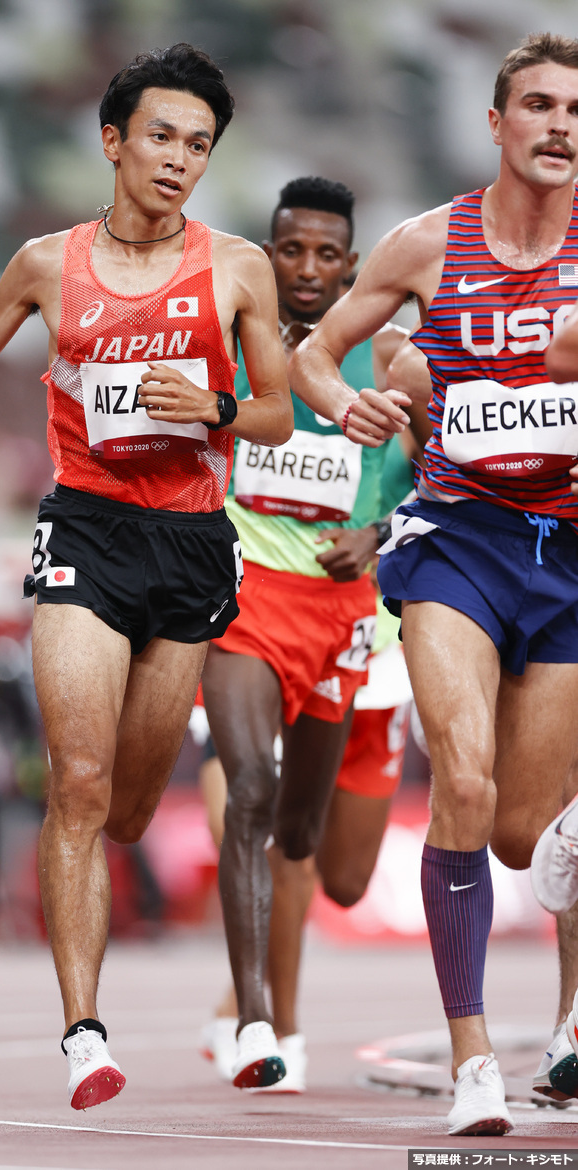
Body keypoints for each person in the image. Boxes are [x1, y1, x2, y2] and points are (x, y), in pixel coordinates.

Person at [0, 42, 292, 1110]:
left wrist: (219, 411)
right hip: (84, 528)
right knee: (79, 783)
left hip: (189, 545)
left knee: (132, 805)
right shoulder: (49, 263)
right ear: (113, 142)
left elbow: (277, 411)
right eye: (161, 137)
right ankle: (84, 1032)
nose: (180, 159)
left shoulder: (237, 267)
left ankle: (111, 855)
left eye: (199, 143)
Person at [289, 32, 578, 1137]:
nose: (559, 126)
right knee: (458, 782)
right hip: (457, 539)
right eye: (539, 106)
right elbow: (321, 351)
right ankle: (471, 1062)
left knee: (518, 835)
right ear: (497, 123)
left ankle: (563, 1026)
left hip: (569, 554)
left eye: (576, 110)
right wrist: (342, 397)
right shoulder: (425, 244)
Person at [201, 175, 410, 1090]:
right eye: (293, 250)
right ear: (269, 251)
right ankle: (260, 1024)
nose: (310, 269)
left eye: (330, 254)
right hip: (251, 604)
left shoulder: (394, 358)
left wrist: (379, 533)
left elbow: (448, 479)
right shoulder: (232, 344)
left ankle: (255, 1006)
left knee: (333, 869)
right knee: (250, 789)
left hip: (364, 635)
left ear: (355, 266)